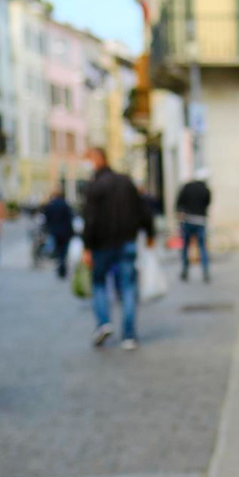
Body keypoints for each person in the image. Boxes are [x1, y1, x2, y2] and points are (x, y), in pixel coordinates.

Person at [82, 147, 153, 349]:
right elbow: (143, 209)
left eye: (88, 158)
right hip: (126, 242)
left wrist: (87, 247)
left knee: (99, 283)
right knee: (128, 287)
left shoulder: (94, 186)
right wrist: (150, 233)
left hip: (102, 245)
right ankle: (129, 336)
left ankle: (104, 322)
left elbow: (89, 219)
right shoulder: (126, 181)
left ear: (97, 159)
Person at [176, 170, 212, 283]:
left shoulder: (187, 187)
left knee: (186, 246)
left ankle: (185, 270)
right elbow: (208, 203)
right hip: (201, 220)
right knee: (202, 246)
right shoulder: (206, 189)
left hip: (188, 220)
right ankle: (205, 271)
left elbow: (179, 202)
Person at [41, 186, 75, 279]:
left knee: (58, 250)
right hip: (65, 232)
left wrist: (48, 229)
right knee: (64, 251)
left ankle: (60, 267)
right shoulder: (65, 205)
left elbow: (46, 219)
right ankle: (62, 267)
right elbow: (70, 219)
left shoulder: (50, 205)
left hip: (55, 232)